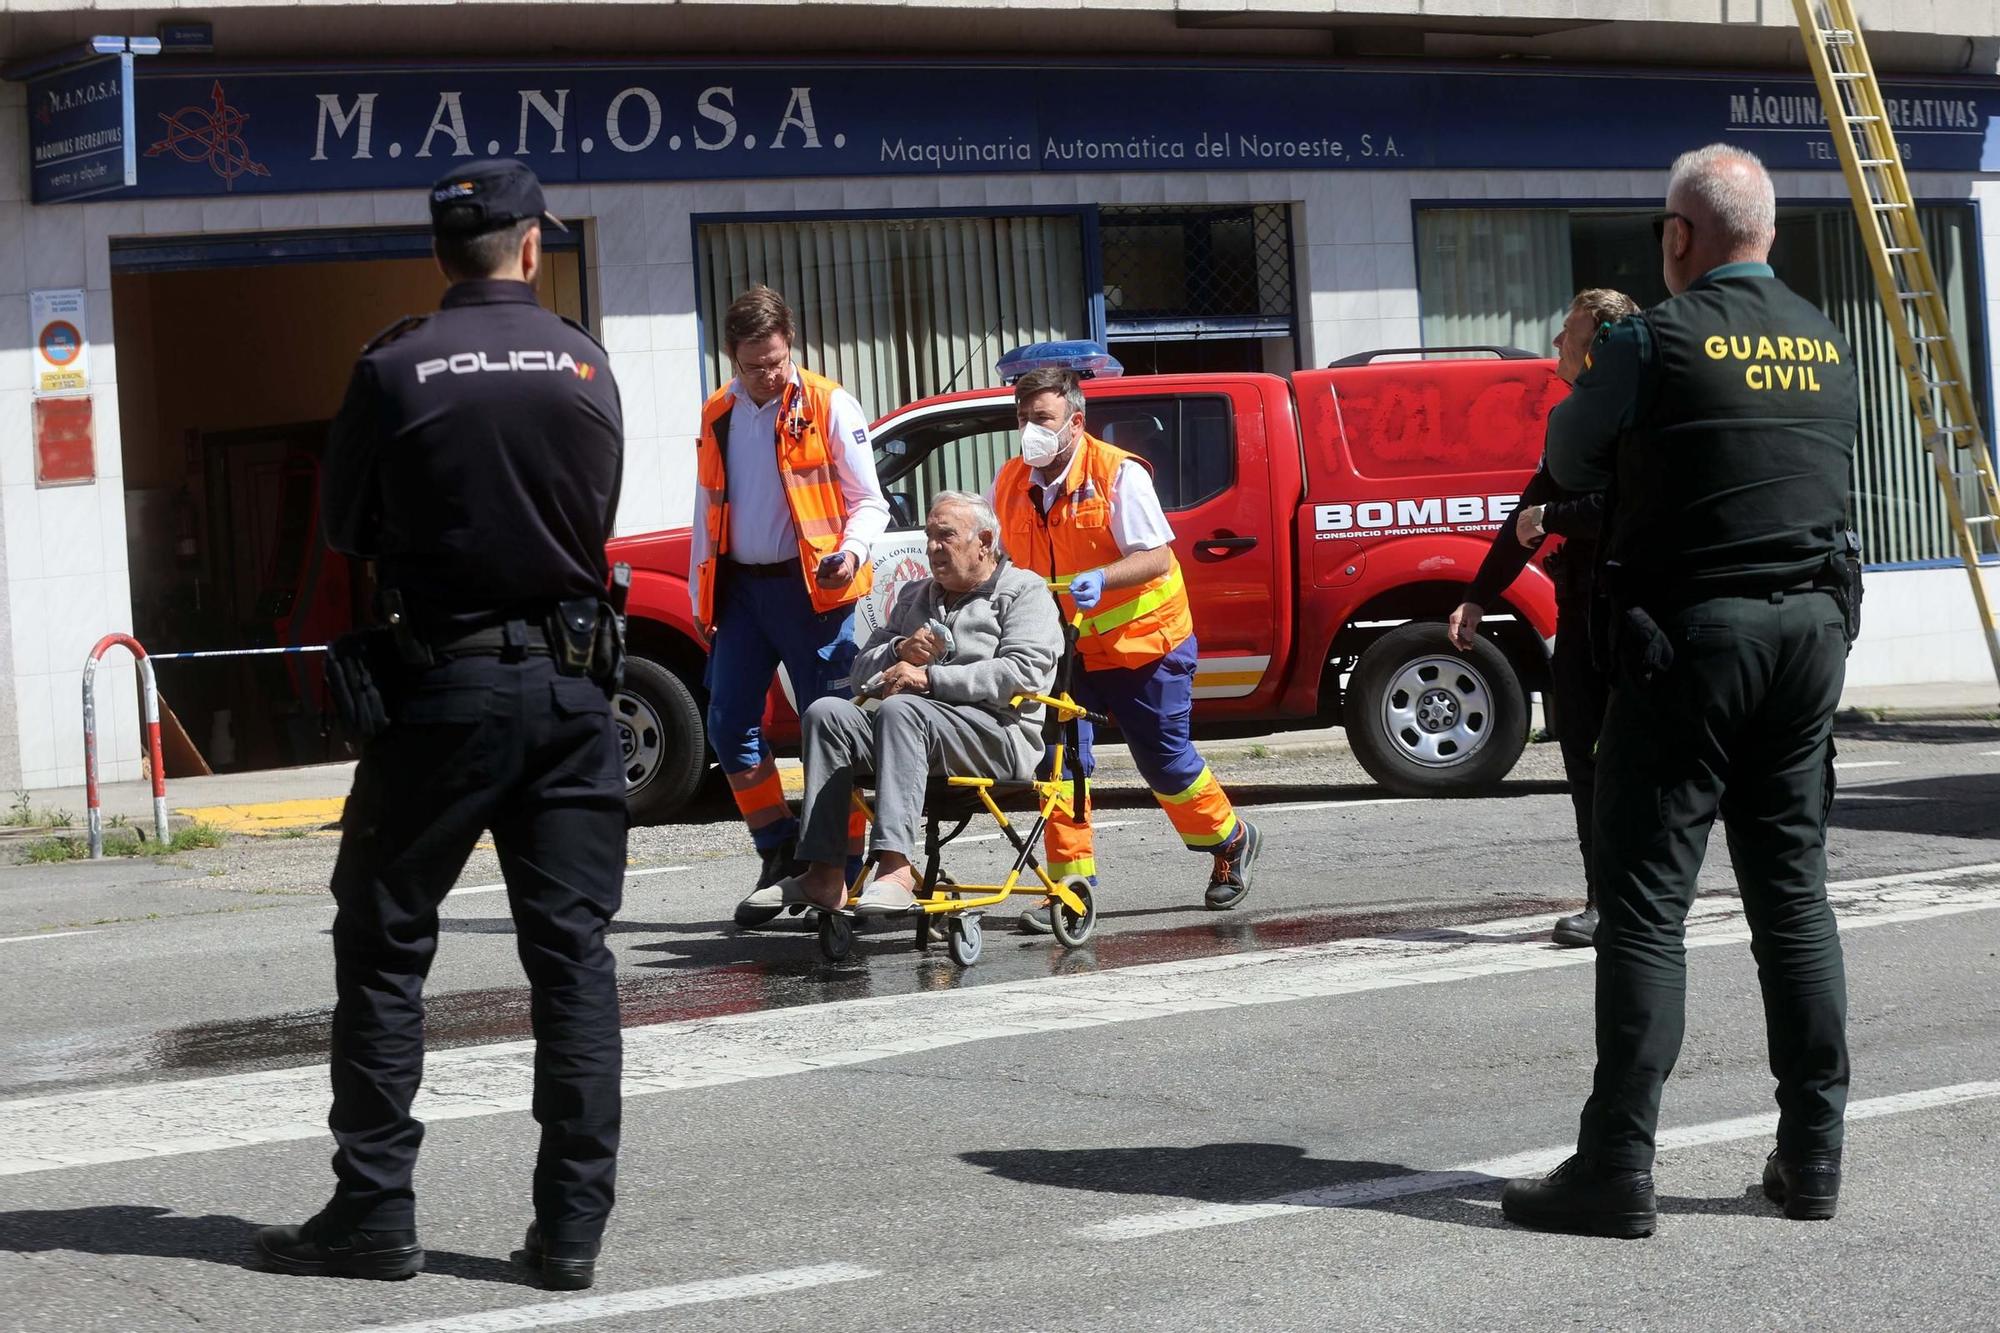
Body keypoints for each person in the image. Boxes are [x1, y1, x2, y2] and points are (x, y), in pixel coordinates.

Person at [258, 160, 627, 1290]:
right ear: (529, 247)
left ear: (441, 253)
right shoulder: (582, 361)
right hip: (573, 694)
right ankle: (569, 1230)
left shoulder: (395, 364)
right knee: (571, 961)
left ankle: (376, 1208)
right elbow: (598, 507)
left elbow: (350, 525)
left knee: (383, 942)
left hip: (444, 687)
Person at [1501, 145, 1860, 1238]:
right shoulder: (1823, 342)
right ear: (1771, 236)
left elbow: (1566, 451)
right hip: (1807, 637)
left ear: (1675, 237)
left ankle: (1615, 1166)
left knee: (1646, 906)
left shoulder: (1651, 339)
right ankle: (1812, 1157)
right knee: (1789, 898)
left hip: (1692, 640)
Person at [989, 368, 1262, 929]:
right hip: (1064, 648)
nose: (1029, 432)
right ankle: (1069, 889)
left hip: (1144, 642)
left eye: (1041, 419)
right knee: (1058, 763)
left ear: (1074, 422)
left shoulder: (1117, 474)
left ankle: (1229, 841)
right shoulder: (1012, 481)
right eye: (1022, 419)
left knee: (1164, 763)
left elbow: (1157, 557)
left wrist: (1103, 579)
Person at [689, 286, 890, 929]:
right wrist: (703, 590)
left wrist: (852, 554)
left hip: (815, 595)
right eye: (756, 365)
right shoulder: (718, 410)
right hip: (744, 592)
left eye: (778, 360)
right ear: (731, 357)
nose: (769, 375)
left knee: (831, 727)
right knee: (727, 725)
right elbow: (707, 507)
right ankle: (778, 850)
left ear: (790, 346)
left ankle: (846, 864)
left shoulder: (830, 403)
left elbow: (870, 501)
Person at [1449, 288, 1639, 949]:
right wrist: (1478, 594)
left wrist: (1555, 519)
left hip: (1635, 616)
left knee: (1634, 763)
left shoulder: (1635, 417)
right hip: (1585, 611)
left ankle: (1633, 897)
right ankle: (1607, 899)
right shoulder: (1576, 420)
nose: (1558, 343)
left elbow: (1618, 511)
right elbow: (1527, 515)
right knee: (1586, 759)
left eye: (1570, 332)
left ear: (1605, 344)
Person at [776, 492, 1061, 913]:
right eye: (929, 536)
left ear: (984, 540)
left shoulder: (1024, 590)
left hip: (996, 735)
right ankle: (824, 874)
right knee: (826, 713)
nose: (932, 547)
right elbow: (860, 672)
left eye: (945, 536)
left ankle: (895, 868)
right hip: (913, 732)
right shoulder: (917, 595)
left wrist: (931, 678)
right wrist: (898, 650)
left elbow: (1023, 672)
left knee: (900, 709)